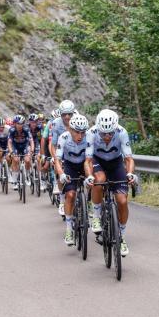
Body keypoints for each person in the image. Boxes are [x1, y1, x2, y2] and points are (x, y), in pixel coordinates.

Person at [85, 109, 137, 257]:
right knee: (99, 180)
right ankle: (96, 216)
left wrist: (130, 173)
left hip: (115, 163)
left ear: (115, 129)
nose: (107, 137)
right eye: (103, 134)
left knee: (122, 201)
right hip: (98, 161)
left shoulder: (121, 132)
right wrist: (89, 176)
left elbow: (128, 158)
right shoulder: (91, 132)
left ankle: (121, 237)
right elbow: (88, 160)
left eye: (110, 134)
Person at [54, 114, 90, 245]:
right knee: (70, 194)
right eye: (77, 132)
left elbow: (92, 159)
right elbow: (57, 160)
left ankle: (90, 206)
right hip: (70, 166)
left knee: (96, 182)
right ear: (70, 129)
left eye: (83, 132)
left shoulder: (89, 138)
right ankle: (69, 230)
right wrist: (61, 173)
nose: (80, 136)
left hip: (85, 164)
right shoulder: (63, 138)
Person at [50, 100, 76, 216]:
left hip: (76, 150)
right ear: (60, 114)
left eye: (69, 114)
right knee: (57, 164)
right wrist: (55, 158)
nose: (67, 117)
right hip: (61, 150)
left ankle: (87, 201)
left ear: (73, 113)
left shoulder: (78, 119)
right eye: (64, 114)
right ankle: (61, 201)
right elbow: (53, 144)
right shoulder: (56, 123)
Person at [8, 115, 34, 190]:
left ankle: (27, 175)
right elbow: (9, 142)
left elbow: (31, 141)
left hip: (24, 145)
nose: (20, 125)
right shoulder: (12, 130)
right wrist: (11, 152)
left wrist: (31, 151)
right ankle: (15, 181)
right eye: (18, 123)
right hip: (15, 146)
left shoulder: (26, 129)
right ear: (15, 124)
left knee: (27, 160)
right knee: (15, 160)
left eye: (22, 123)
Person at [28, 113, 46, 192]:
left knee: (38, 158)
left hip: (38, 142)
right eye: (32, 122)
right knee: (27, 157)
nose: (33, 123)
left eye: (35, 122)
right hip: (28, 143)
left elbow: (42, 138)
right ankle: (28, 173)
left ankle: (41, 178)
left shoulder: (40, 127)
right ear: (29, 122)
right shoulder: (26, 128)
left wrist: (41, 151)